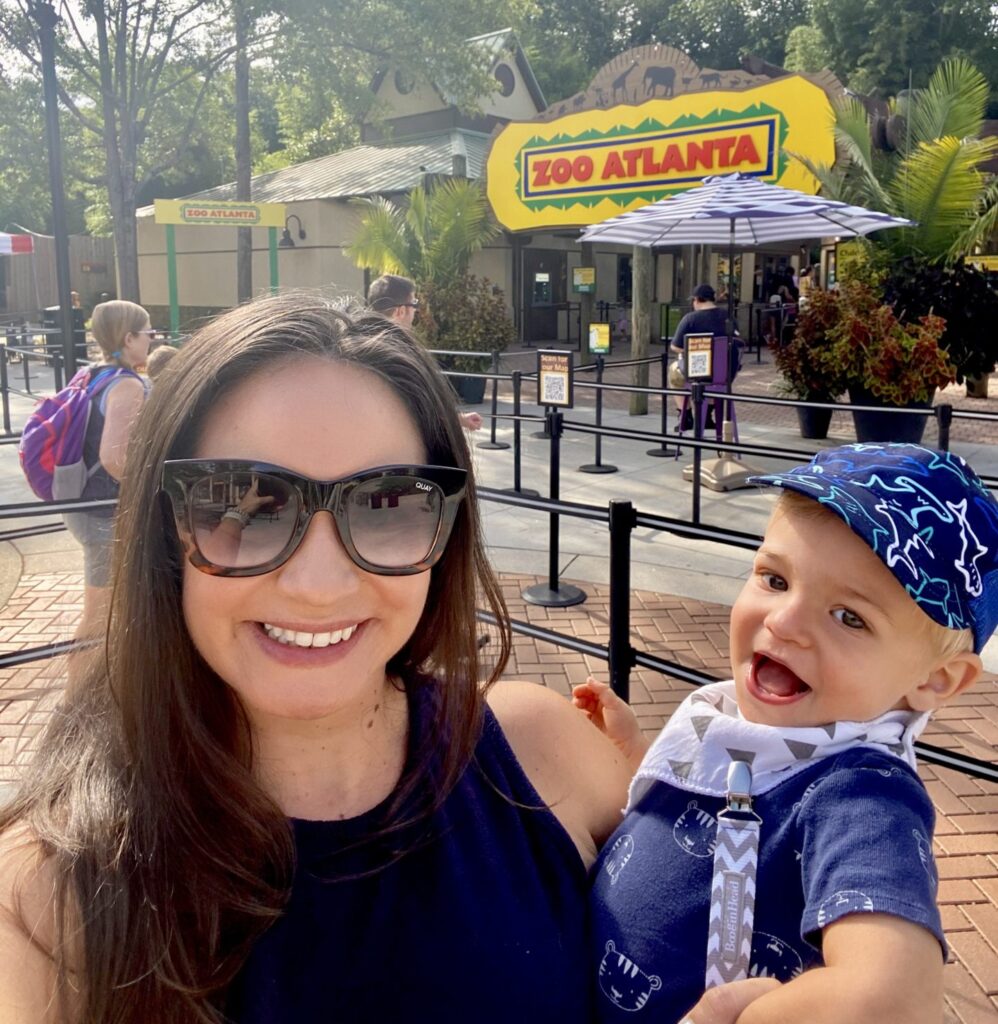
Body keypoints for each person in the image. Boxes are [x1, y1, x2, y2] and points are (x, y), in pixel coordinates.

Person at [0, 293, 772, 1024]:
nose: (316, 582)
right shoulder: (48, 896)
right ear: (167, 527)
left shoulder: (543, 756)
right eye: (244, 501)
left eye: (388, 503)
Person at [575, 442, 998, 1024]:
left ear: (937, 679)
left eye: (850, 617)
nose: (784, 621)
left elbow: (895, 996)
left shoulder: (862, 794)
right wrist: (640, 755)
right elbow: (720, 828)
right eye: (775, 579)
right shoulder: (769, 727)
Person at [61, 299, 152, 682]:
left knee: (107, 608)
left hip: (86, 505)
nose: (152, 340)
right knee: (99, 616)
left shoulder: (93, 374)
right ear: (129, 337)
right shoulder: (127, 385)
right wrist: (151, 484)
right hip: (105, 513)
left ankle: (97, 688)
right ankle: (74, 703)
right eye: (148, 334)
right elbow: (116, 458)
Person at [368, 273, 482, 432]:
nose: (416, 311)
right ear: (400, 311)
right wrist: (458, 420)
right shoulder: (400, 352)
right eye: (414, 304)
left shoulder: (359, 346)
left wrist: (460, 419)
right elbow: (422, 405)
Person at [669, 283, 742, 431]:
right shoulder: (728, 317)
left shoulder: (690, 319)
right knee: (714, 377)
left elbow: (675, 346)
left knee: (674, 372)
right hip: (725, 374)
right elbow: (737, 341)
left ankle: (685, 414)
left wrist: (685, 351)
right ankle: (707, 416)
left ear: (696, 300)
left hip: (698, 374)